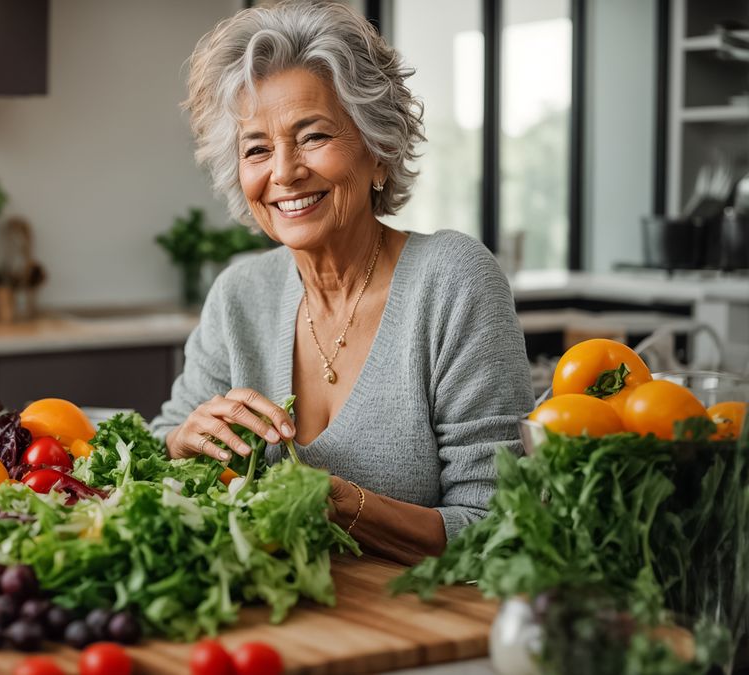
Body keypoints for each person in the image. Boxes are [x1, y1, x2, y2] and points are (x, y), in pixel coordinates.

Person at [150, 0, 534, 565]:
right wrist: (181, 444)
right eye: (257, 148)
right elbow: (162, 449)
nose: (283, 172)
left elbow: (498, 522)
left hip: (417, 628)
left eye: (312, 136)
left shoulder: (453, 279)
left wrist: (338, 505)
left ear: (378, 152)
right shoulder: (240, 295)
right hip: (273, 616)